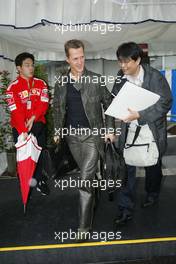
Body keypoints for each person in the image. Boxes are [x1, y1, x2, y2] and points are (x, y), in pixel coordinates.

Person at [53, 39, 115, 241]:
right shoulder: (61, 83)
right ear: (67, 59)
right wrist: (57, 131)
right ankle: (93, 192)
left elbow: (110, 105)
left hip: (92, 137)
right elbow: (57, 109)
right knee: (86, 175)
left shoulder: (96, 79)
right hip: (71, 138)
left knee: (83, 181)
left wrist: (110, 130)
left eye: (82, 57)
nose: (80, 62)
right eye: (75, 58)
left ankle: (83, 227)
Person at [112, 42, 172, 225]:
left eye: (126, 62)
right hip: (128, 131)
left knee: (153, 167)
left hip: (151, 131)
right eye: (120, 62)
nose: (123, 66)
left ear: (137, 60)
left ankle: (152, 193)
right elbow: (115, 98)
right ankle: (125, 209)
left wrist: (140, 114)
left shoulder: (154, 77)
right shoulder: (120, 77)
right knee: (126, 171)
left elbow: (166, 102)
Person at [5, 52, 50, 195]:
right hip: (20, 128)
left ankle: (39, 180)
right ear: (19, 68)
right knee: (25, 158)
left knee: (39, 155)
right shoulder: (12, 87)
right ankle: (26, 183)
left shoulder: (41, 83)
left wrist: (33, 118)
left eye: (32, 65)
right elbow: (15, 111)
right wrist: (23, 129)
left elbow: (44, 104)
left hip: (38, 124)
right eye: (27, 65)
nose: (31, 68)